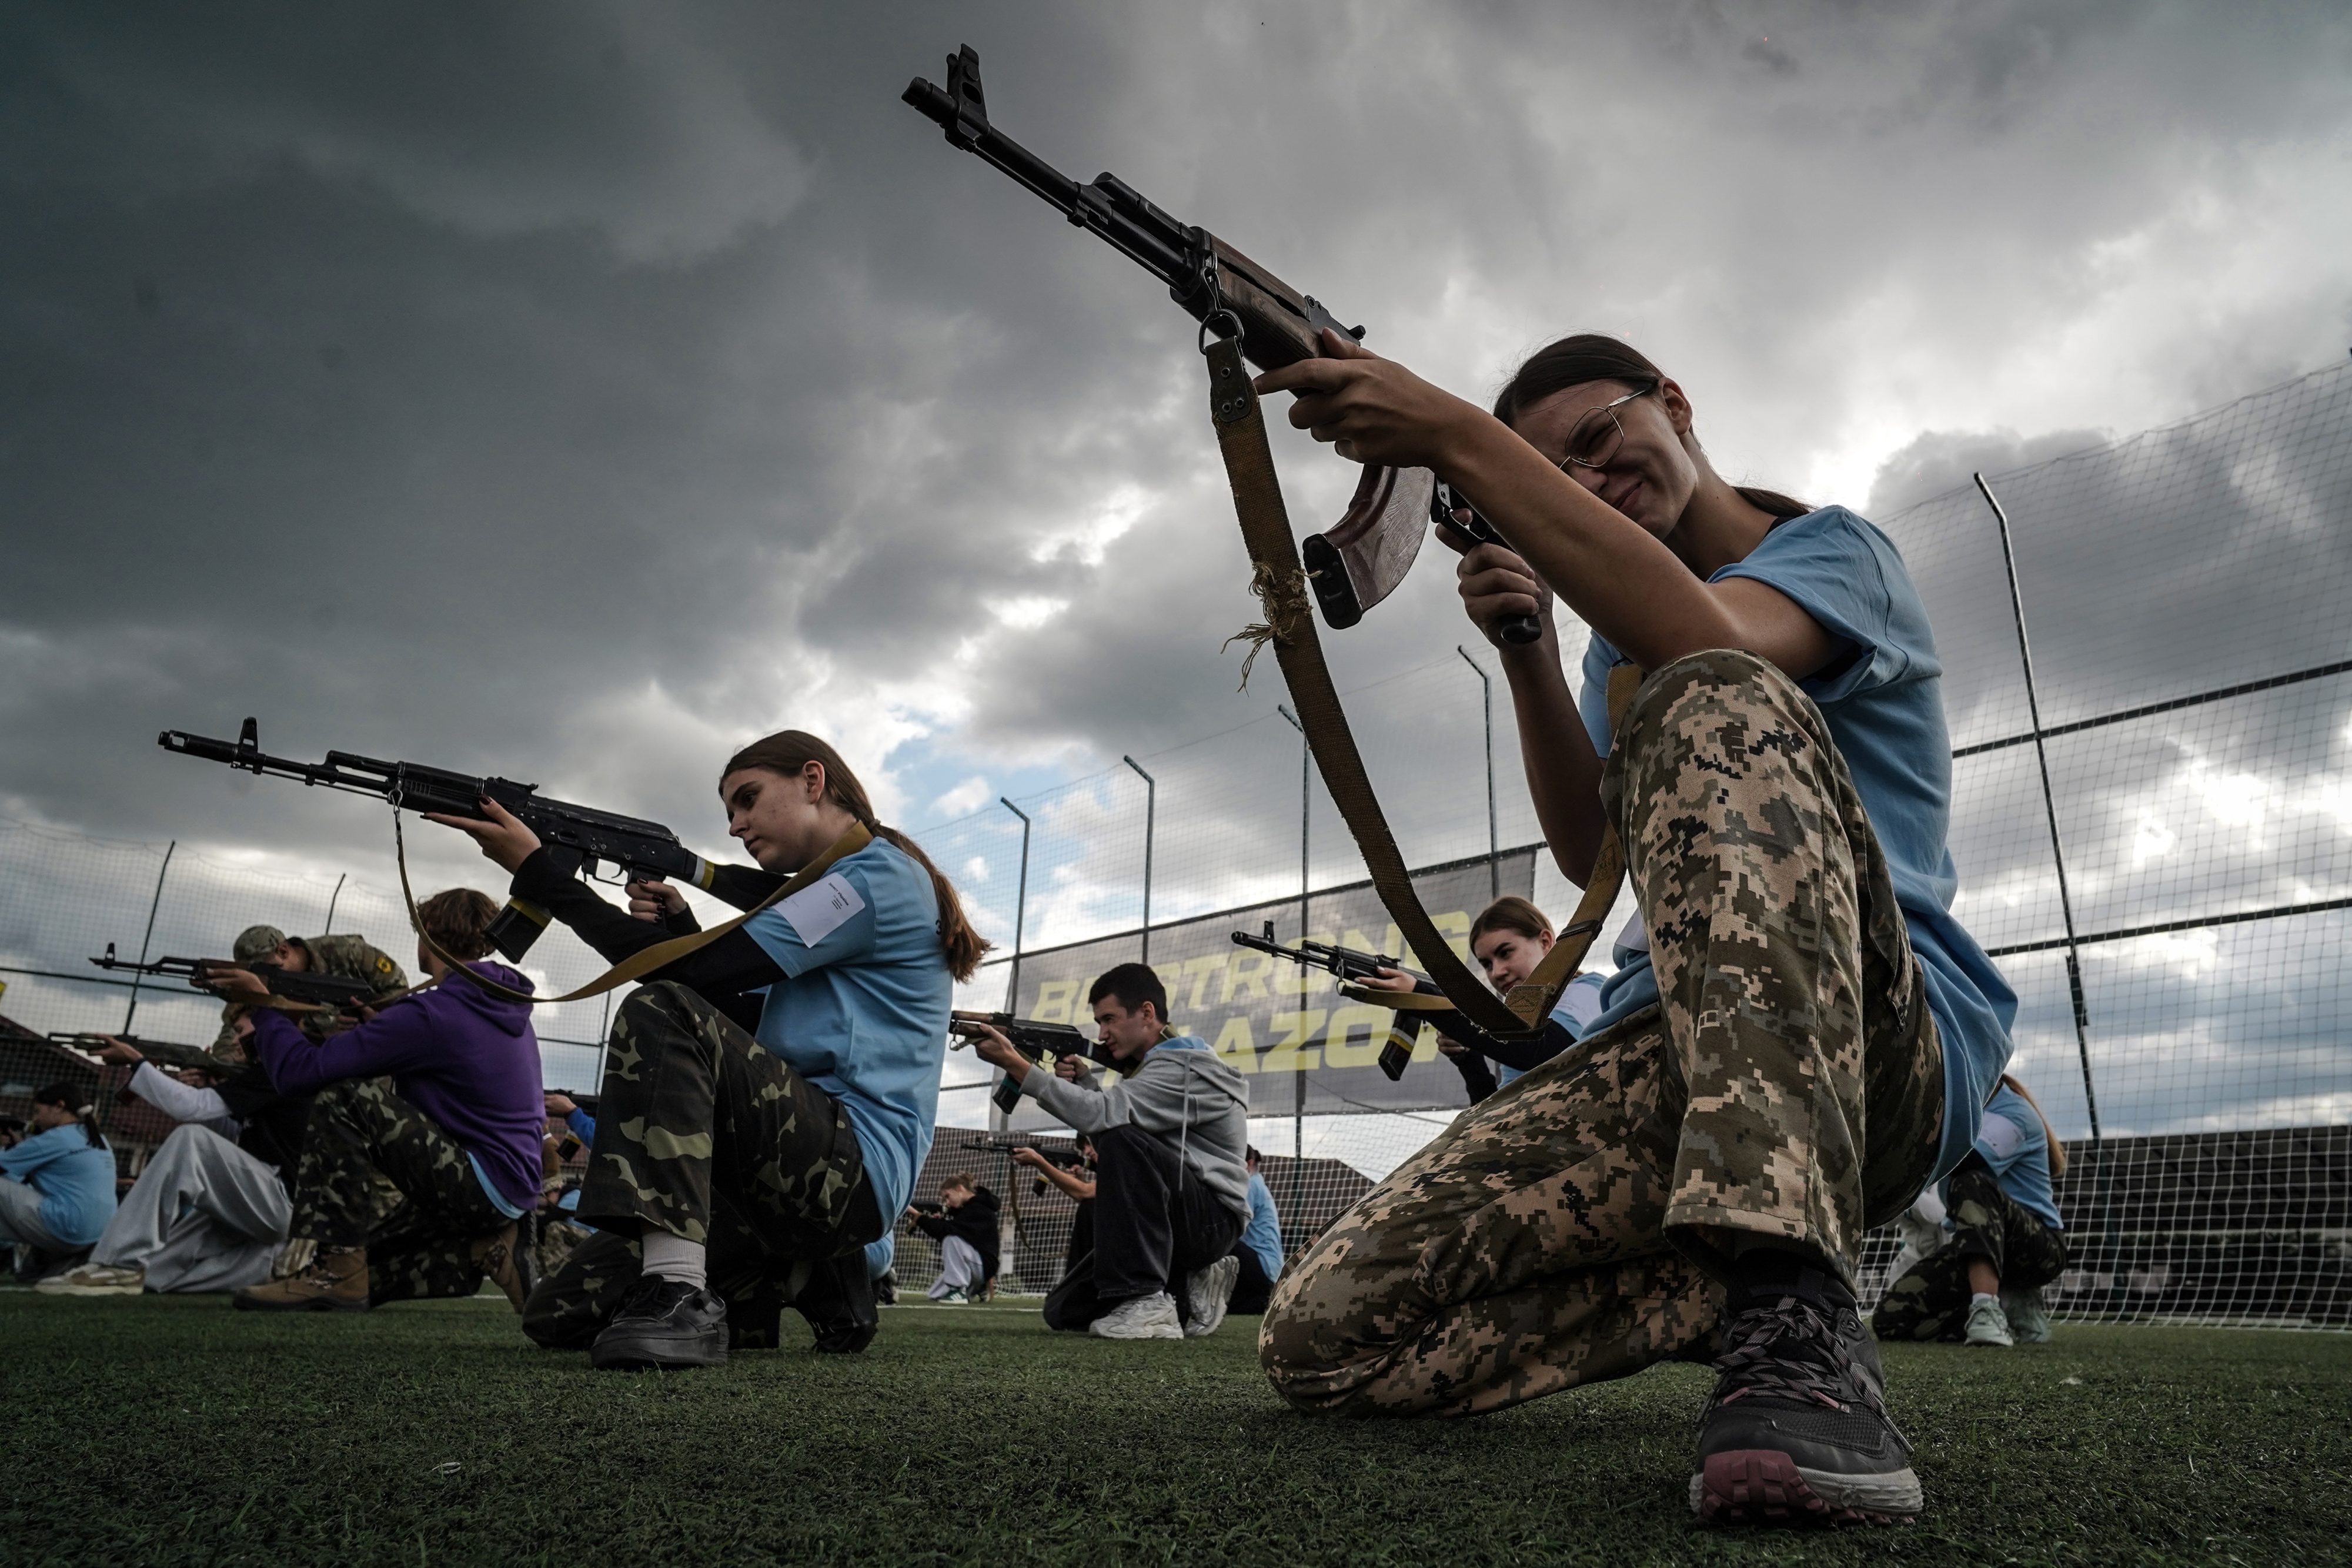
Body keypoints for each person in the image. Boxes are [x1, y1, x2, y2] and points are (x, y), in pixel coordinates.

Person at [1251, 331, 2015, 1526]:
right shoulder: (1620, 640)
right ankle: (1732, 1290)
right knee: (1317, 1340)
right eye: (1556, 475)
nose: (1590, 482)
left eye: (1598, 441)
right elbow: (1585, 851)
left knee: (1707, 688)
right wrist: (1527, 655)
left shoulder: (1830, 551)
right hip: (1675, 1058)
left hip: (1870, 1050)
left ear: (1673, 401)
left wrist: (1458, 437)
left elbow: (1716, 647)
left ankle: (1796, 1304)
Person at [430, 729, 984, 1368]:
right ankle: (811, 1273)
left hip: (851, 1169)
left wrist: (539, 873)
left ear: (813, 780)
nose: (736, 826)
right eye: (730, 811)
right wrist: (686, 933)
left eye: (748, 800)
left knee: (663, 1006)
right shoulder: (841, 890)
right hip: (787, 1167)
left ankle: (680, 1292)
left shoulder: (872, 878)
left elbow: (687, 989)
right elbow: (743, 1019)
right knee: (557, 1315)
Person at [223, 888, 544, 1315]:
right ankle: (485, 1249)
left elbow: (299, 1075)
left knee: (344, 1097)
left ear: (427, 935)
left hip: (480, 1182)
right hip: (510, 1185)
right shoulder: (495, 1003)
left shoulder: (427, 1014)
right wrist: (383, 1028)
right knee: (370, 1264)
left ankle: (336, 1268)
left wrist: (266, 1007)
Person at [968, 964, 1250, 1341]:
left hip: (1213, 1220)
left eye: (1110, 1019)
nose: (1102, 1033)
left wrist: (1017, 1066)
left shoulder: (1186, 1068)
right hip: (1179, 1217)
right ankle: (1191, 1285)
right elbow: (1115, 1144)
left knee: (1119, 1137)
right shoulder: (1154, 1070)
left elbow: (1109, 1124)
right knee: (1064, 1310)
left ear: (1147, 1013)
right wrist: (1084, 1081)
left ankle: (1147, 1302)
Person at [37, 1035, 312, 1296]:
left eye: (241, 1029)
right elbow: (226, 1136)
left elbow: (190, 1109)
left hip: (281, 1199)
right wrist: (206, 1090)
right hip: (260, 1201)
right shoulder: (273, 1074)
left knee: (190, 1140)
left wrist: (136, 1061)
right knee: (155, 1272)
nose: (235, 1039)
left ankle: (120, 1264)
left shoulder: (279, 1069)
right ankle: (273, 1270)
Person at [1872, 1075, 2069, 1348]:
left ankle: (1986, 1309)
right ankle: (2009, 1313)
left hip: (2037, 1249)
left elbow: (1967, 1162)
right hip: (1975, 1248)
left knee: (1971, 1181)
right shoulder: (1968, 1115)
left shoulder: (2015, 1113)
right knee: (1890, 1319)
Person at [1362, 895, 1599, 1104]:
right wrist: (1468, 1058)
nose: (1496, 972)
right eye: (1486, 964)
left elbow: (1545, 1052)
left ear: (1545, 942)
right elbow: (1491, 1111)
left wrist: (1422, 995)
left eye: (1505, 953)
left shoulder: (1590, 989)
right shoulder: (1519, 1027)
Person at [208, 924, 407, 1061]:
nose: (261, 980)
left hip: (373, 1053)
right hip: (316, 1065)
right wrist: (218, 1069)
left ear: (284, 951)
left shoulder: (349, 952)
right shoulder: (265, 984)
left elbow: (400, 993)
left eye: (266, 970)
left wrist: (371, 1021)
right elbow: (232, 1027)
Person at [0, 1085, 117, 1276]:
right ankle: (43, 1267)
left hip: (67, 1229)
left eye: (38, 1111)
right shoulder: (98, 1138)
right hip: (99, 1234)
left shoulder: (56, 1138)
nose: (36, 1119)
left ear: (59, 1107)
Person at [1010, 1137, 1098, 1282]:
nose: (1087, 1152)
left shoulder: (1121, 1162)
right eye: (1083, 1148)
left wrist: (1040, 1161)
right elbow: (1089, 1196)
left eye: (1089, 1144)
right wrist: (1080, 1180)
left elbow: (1085, 1193)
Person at [909, 1173, 1000, 1303]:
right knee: (935, 1295)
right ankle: (977, 1287)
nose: (947, 1202)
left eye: (947, 1196)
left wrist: (917, 1216)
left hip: (984, 1265)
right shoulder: (969, 1208)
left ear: (960, 1189)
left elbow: (945, 1231)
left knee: (951, 1239)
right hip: (976, 1264)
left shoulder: (979, 1210)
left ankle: (957, 1290)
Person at [1228, 1148, 1283, 1316]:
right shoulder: (1258, 1183)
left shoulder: (1249, 1184)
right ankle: (1257, 1302)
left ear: (1249, 1163)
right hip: (1268, 1268)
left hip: (1262, 1264)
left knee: (1221, 1239)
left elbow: (1233, 1226)